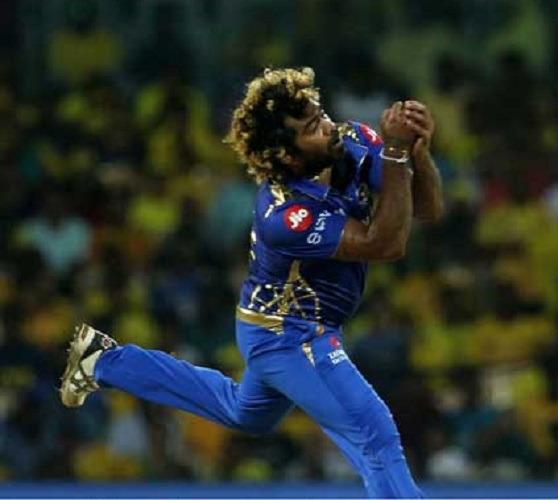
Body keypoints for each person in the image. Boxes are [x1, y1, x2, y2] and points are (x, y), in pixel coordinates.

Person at [59, 67, 443, 498]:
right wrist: (395, 152)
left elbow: (425, 209)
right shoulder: (285, 213)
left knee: (245, 413)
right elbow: (385, 244)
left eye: (321, 115)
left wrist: (418, 154)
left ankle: (104, 361)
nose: (329, 128)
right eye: (312, 129)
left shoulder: (350, 140)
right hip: (290, 335)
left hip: (271, 324)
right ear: (287, 156)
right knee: (373, 433)